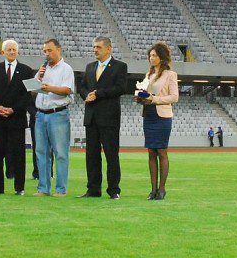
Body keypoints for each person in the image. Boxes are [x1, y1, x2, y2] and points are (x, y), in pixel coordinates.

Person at [77, 36, 129, 199]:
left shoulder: (120, 66)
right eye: (94, 47)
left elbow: (121, 88)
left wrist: (99, 93)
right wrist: (87, 95)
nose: (95, 50)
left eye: (98, 47)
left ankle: (113, 190)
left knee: (111, 155)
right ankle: (93, 189)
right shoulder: (90, 66)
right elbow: (82, 87)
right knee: (91, 155)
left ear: (108, 48)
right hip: (91, 116)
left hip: (109, 117)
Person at [0, 40, 34, 195]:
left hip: (17, 119)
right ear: (2, 52)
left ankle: (20, 187)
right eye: (9, 49)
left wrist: (13, 109)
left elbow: (28, 96)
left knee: (19, 154)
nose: (12, 52)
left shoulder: (26, 70)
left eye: (14, 49)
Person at [135, 43, 178, 201]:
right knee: (151, 152)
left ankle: (162, 189)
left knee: (161, 151)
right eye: (150, 56)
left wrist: (154, 99)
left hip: (162, 116)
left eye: (154, 55)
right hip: (149, 114)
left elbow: (174, 97)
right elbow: (146, 93)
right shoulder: (149, 74)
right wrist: (141, 98)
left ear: (162, 57)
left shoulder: (170, 74)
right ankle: (152, 190)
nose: (151, 58)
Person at [32, 39, 75, 197]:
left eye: (49, 50)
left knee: (61, 153)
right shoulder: (43, 69)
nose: (47, 54)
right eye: (45, 51)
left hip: (58, 114)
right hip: (41, 113)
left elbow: (67, 90)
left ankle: (61, 189)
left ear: (58, 50)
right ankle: (43, 188)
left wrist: (49, 88)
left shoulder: (66, 69)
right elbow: (33, 91)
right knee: (41, 152)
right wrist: (38, 80)